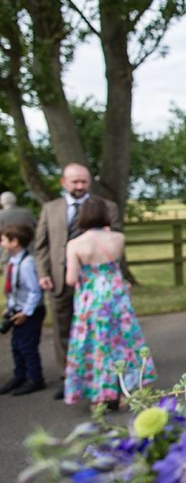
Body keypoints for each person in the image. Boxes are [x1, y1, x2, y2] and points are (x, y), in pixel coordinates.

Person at [34, 163, 121, 400]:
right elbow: (40, 245)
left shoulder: (107, 207)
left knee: (102, 333)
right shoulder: (50, 208)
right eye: (75, 182)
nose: (80, 186)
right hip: (60, 280)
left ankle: (106, 378)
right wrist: (43, 273)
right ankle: (69, 377)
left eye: (83, 181)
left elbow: (115, 243)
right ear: (64, 182)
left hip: (98, 285)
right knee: (64, 330)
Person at [63, 198, 155, 408]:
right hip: (116, 293)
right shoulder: (118, 238)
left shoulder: (75, 244)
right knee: (124, 342)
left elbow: (71, 278)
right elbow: (116, 266)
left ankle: (100, 394)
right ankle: (126, 390)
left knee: (97, 344)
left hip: (92, 298)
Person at [0, 225, 46, 396]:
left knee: (27, 346)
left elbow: (34, 291)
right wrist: (10, 308)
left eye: (4, 240)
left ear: (15, 242)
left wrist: (26, 313)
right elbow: (15, 289)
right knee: (16, 346)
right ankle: (20, 376)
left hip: (30, 312)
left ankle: (35, 378)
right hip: (17, 309)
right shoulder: (13, 262)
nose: (1, 243)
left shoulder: (27, 264)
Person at [0, 191, 37, 263]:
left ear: (2, 202)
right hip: (29, 249)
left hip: (7, 252)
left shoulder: (1, 215)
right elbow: (36, 226)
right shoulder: (26, 212)